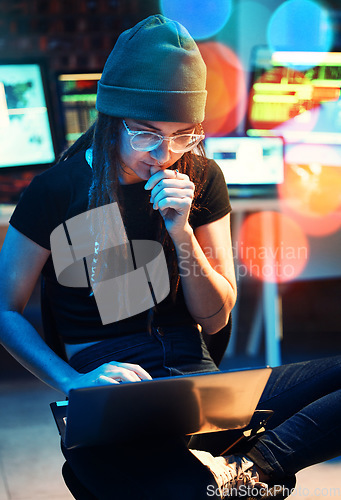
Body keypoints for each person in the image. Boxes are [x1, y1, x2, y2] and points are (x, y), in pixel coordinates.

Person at [0, 14, 340, 500]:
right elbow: (4, 309)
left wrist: (181, 231)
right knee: (177, 487)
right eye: (146, 133)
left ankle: (257, 466)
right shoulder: (59, 191)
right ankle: (210, 477)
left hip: (200, 389)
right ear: (112, 118)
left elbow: (216, 316)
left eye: (183, 135)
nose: (163, 153)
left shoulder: (201, 178)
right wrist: (73, 381)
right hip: (113, 392)